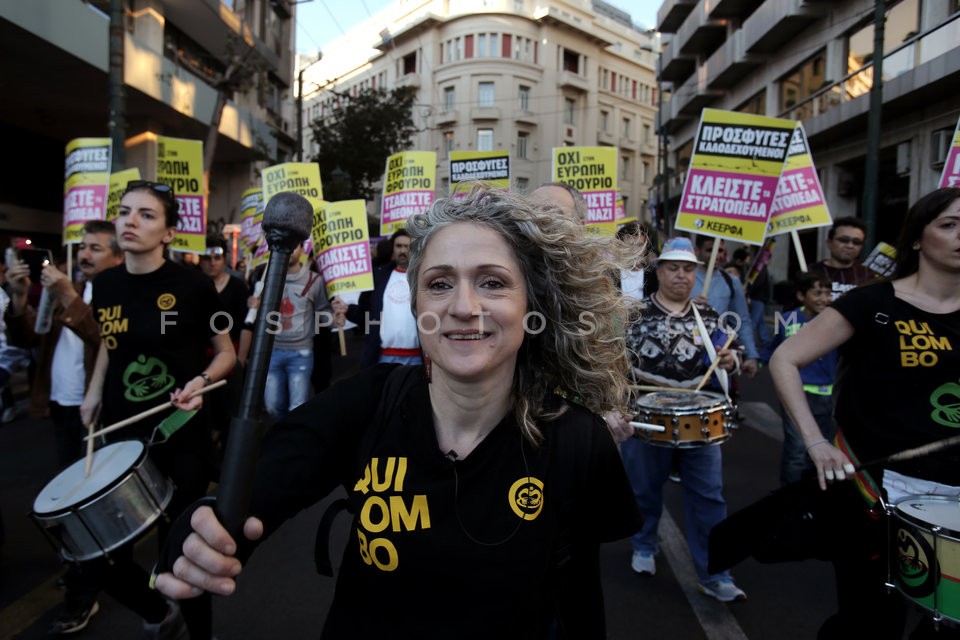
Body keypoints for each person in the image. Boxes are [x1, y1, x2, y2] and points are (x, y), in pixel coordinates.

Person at [154, 187, 644, 638]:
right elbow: (252, 492)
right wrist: (198, 534)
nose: (463, 306)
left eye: (493, 282)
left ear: (530, 305)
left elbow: (579, 597)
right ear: (415, 306)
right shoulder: (365, 403)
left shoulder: (578, 440)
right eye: (438, 284)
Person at [769, 187, 960, 638]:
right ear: (916, 238)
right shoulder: (872, 303)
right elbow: (785, 359)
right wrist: (815, 442)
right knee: (870, 622)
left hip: (954, 493)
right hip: (877, 493)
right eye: (949, 224)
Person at [80, 180, 237, 639]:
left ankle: (199, 632)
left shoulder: (192, 285)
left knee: (183, 550)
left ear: (169, 232)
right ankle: (156, 611)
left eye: (146, 215)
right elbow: (111, 345)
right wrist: (93, 393)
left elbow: (226, 353)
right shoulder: (104, 283)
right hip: (119, 433)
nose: (130, 221)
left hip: (178, 432)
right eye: (125, 212)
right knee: (104, 555)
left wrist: (202, 383)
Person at [610, 237, 747, 603]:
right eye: (674, 268)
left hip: (699, 420)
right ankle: (643, 545)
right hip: (646, 416)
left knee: (709, 497)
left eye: (688, 269)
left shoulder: (712, 318)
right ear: (660, 271)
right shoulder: (634, 315)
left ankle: (715, 573)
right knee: (643, 490)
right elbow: (613, 365)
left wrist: (730, 359)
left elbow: (732, 353)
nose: (682, 276)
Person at [4, 221, 123, 635]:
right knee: (68, 504)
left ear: (117, 256)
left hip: (95, 413)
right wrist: (20, 299)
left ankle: (84, 590)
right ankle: (84, 568)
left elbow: (103, 337)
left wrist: (68, 296)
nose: (85, 255)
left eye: (95, 248)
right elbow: (27, 340)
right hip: (61, 407)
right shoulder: (66, 290)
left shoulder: (117, 293)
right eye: (83, 247)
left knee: (82, 508)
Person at [760, 271, 836, 486]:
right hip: (795, 393)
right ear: (802, 296)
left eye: (828, 293)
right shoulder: (789, 318)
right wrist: (757, 361)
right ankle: (789, 497)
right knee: (796, 449)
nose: (824, 298)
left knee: (823, 444)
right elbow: (775, 347)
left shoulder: (834, 321)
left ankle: (814, 491)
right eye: (818, 292)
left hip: (826, 396)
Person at [260, 242, 338, 420]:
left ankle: (292, 441)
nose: (290, 249)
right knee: (272, 406)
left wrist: (336, 320)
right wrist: (254, 305)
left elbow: (322, 310)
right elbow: (258, 315)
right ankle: (283, 433)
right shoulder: (268, 277)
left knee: (297, 407)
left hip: (301, 353)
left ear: (302, 249)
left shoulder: (314, 280)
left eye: (295, 245)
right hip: (272, 351)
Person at [199, 236, 249, 447]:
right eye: (207, 257)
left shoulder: (237, 287)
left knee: (231, 410)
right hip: (200, 362)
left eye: (217, 257)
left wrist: (241, 358)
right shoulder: (193, 285)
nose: (212, 262)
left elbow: (247, 324)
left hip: (230, 360)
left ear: (225, 259)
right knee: (206, 413)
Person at [345, 228, 421, 368]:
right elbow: (364, 312)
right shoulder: (378, 276)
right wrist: (346, 310)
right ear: (393, 248)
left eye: (407, 246)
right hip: (382, 357)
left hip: (418, 359)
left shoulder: (423, 278)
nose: (403, 250)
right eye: (399, 246)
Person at [808, 216, 876, 301]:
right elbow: (794, 311)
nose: (850, 246)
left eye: (856, 242)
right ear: (829, 242)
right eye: (844, 240)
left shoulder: (867, 275)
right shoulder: (812, 271)